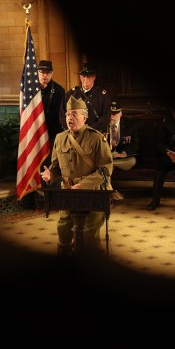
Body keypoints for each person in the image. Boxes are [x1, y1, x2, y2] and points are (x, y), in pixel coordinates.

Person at [40, 96, 113, 255]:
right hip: (67, 193)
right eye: (67, 114)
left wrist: (83, 185)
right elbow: (56, 167)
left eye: (74, 114)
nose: (69, 118)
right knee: (64, 229)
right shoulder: (60, 138)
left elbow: (105, 169)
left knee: (89, 234)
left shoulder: (97, 138)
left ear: (84, 117)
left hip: (93, 193)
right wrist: (50, 174)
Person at [146, 108, 175, 212]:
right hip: (169, 155)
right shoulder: (165, 122)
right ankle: (155, 200)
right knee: (161, 164)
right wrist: (168, 153)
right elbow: (159, 143)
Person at [59, 62, 111, 134]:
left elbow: (105, 118)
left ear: (94, 77)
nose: (86, 79)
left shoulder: (103, 96)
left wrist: (87, 130)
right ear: (80, 77)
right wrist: (73, 129)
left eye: (89, 76)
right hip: (74, 134)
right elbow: (62, 115)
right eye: (83, 76)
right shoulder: (71, 94)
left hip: (94, 134)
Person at [36, 60, 65, 167]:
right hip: (34, 132)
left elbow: (61, 114)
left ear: (52, 74)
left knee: (50, 163)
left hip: (52, 133)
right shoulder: (30, 90)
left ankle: (50, 182)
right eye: (42, 72)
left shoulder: (59, 90)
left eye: (48, 73)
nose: (45, 75)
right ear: (37, 73)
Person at [109, 101, 140, 171]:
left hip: (121, 158)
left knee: (132, 161)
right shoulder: (101, 124)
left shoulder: (130, 124)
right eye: (110, 113)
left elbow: (135, 143)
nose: (112, 115)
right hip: (106, 155)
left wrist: (124, 153)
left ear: (120, 113)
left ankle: (107, 165)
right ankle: (107, 165)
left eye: (115, 113)